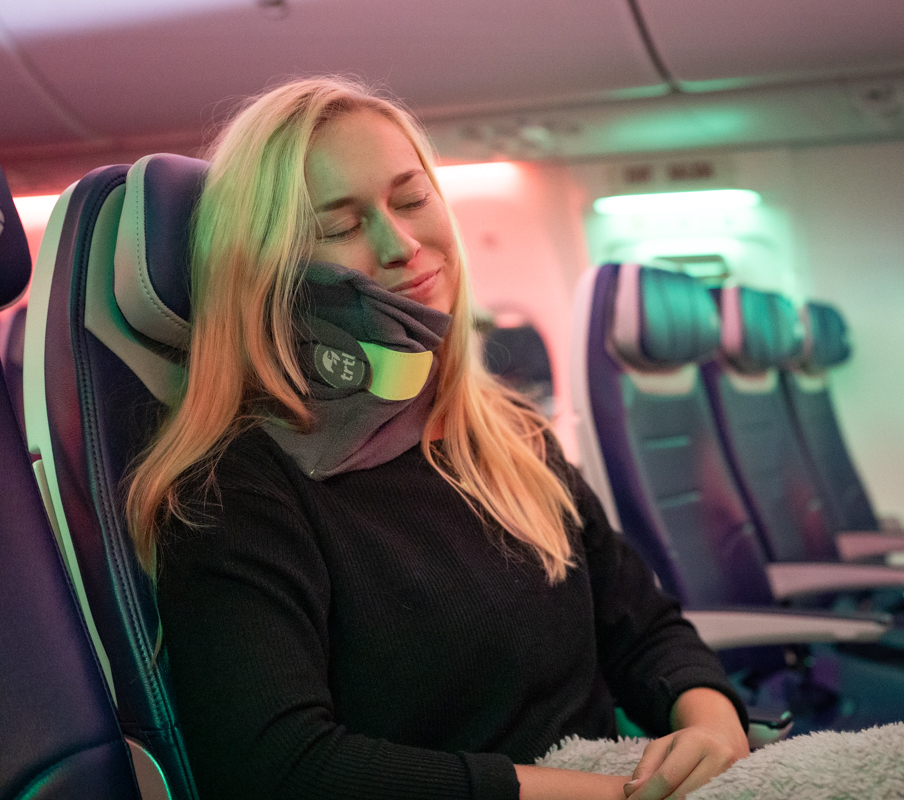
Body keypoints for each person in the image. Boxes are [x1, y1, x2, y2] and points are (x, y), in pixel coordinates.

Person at [125, 76, 750, 800]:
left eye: (413, 198)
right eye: (339, 225)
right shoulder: (236, 491)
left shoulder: (509, 436)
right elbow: (282, 769)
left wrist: (711, 724)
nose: (401, 244)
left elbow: (642, 626)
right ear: (269, 272)